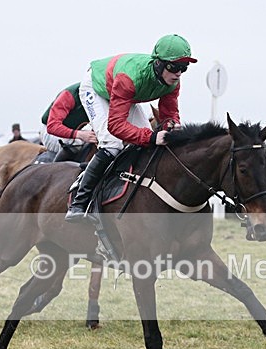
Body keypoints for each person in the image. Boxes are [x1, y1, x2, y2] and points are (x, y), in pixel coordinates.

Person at [65, 34, 197, 222]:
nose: (178, 73)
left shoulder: (173, 82)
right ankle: (79, 203)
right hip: (97, 87)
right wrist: (152, 137)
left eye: (184, 68)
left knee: (147, 144)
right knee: (112, 144)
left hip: (126, 94)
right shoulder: (130, 78)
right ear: (158, 64)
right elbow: (116, 126)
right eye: (174, 67)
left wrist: (172, 126)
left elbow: (169, 114)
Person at [40, 82, 98, 162]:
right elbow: (52, 126)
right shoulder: (69, 94)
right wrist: (79, 134)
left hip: (72, 132)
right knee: (77, 143)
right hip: (50, 133)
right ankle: (55, 171)